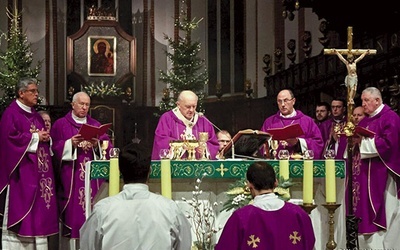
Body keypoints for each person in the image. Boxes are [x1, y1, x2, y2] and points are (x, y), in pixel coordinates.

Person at [80, 142, 192, 249]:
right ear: (150, 171)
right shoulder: (169, 209)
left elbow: (87, 245)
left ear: (120, 171)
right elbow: (184, 244)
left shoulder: (103, 210)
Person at [0, 78, 59, 249]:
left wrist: (46, 138)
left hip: (40, 176)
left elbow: (42, 138)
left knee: (39, 218)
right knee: (22, 216)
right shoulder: (11, 114)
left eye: (37, 91)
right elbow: (8, 141)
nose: (36, 95)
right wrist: (35, 137)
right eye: (32, 91)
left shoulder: (36, 116)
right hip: (21, 177)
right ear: (21, 93)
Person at [50, 91, 112, 247]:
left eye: (87, 105)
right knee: (73, 215)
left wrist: (96, 143)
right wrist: (70, 144)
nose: (84, 108)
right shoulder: (61, 124)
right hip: (72, 175)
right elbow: (54, 149)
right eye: (81, 104)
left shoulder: (95, 125)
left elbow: (107, 148)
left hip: (92, 178)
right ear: (73, 104)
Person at [215, 161, 315, 249]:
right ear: (276, 182)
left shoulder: (241, 217)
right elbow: (309, 243)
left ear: (249, 184)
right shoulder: (298, 214)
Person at [349, 87, 400, 249]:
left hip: (382, 178)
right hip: (365, 178)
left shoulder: (390, 118)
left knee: (386, 214)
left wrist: (362, 142)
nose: (362, 104)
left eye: (366, 100)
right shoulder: (365, 121)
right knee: (366, 217)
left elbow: (389, 145)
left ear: (377, 100)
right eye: (362, 100)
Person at [151, 90, 219, 160]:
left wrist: (204, 149)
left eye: (194, 106)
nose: (191, 110)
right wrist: (182, 145)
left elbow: (213, 143)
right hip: (175, 167)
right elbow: (161, 142)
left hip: (199, 167)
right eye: (188, 107)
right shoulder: (167, 118)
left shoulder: (203, 120)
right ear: (178, 105)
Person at [260, 89, 324, 159]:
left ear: (293, 101)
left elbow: (318, 144)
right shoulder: (269, 122)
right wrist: (270, 144)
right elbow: (261, 144)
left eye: (286, 100)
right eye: (279, 101)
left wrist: (298, 142)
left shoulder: (307, 121)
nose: (283, 104)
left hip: (300, 164)